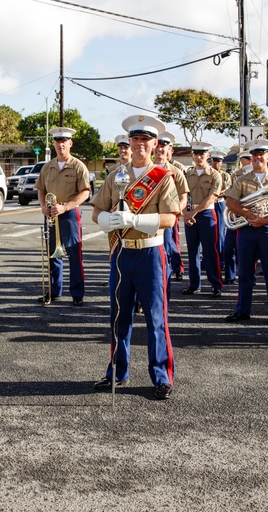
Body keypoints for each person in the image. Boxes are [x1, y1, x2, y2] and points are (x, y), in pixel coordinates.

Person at [91, 114, 180, 400]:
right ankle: (118, 372)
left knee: (156, 319)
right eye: (135, 139)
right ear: (129, 142)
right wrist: (110, 220)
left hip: (151, 253)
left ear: (154, 144)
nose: (140, 144)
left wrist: (135, 219)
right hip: (121, 253)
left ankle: (162, 377)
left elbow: (170, 218)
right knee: (118, 317)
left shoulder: (163, 177)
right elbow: (96, 213)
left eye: (145, 139)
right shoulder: (116, 175)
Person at [223, 138, 268, 326]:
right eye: (254, 155)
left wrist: (267, 219)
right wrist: (246, 213)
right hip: (246, 229)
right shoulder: (242, 180)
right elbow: (230, 202)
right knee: (245, 271)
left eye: (261, 155)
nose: (257, 158)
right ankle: (242, 310)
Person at [35, 127, 91, 306]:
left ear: (70, 143)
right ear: (54, 144)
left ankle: (77, 293)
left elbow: (85, 193)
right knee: (52, 254)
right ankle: (53, 291)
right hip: (51, 214)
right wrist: (43, 206)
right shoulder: (47, 166)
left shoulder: (77, 166)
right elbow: (41, 190)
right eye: (58, 141)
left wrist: (65, 207)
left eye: (64, 141)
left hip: (69, 214)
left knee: (74, 254)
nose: (61, 145)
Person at [181, 142, 223, 297]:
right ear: (192, 155)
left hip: (206, 214)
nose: (199, 157)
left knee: (210, 250)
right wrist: (185, 213)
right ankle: (194, 284)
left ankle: (216, 285)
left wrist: (194, 212)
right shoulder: (187, 173)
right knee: (192, 251)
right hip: (190, 214)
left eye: (202, 154)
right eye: (196, 154)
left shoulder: (214, 175)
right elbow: (182, 195)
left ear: (208, 156)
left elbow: (212, 197)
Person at [154, 132, 189, 290]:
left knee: (167, 250)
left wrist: (174, 214)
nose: (160, 150)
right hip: (143, 219)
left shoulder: (176, 172)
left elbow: (183, 198)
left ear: (169, 149)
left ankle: (163, 285)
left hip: (166, 219)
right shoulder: (144, 169)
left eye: (164, 147)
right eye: (158, 146)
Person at [208, 149, 234, 284]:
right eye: (214, 161)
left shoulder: (225, 176)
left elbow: (228, 189)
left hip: (220, 203)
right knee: (210, 233)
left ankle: (222, 260)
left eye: (219, 161)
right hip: (209, 204)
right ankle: (211, 259)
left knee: (220, 232)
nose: (216, 163)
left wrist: (216, 194)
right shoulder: (209, 173)